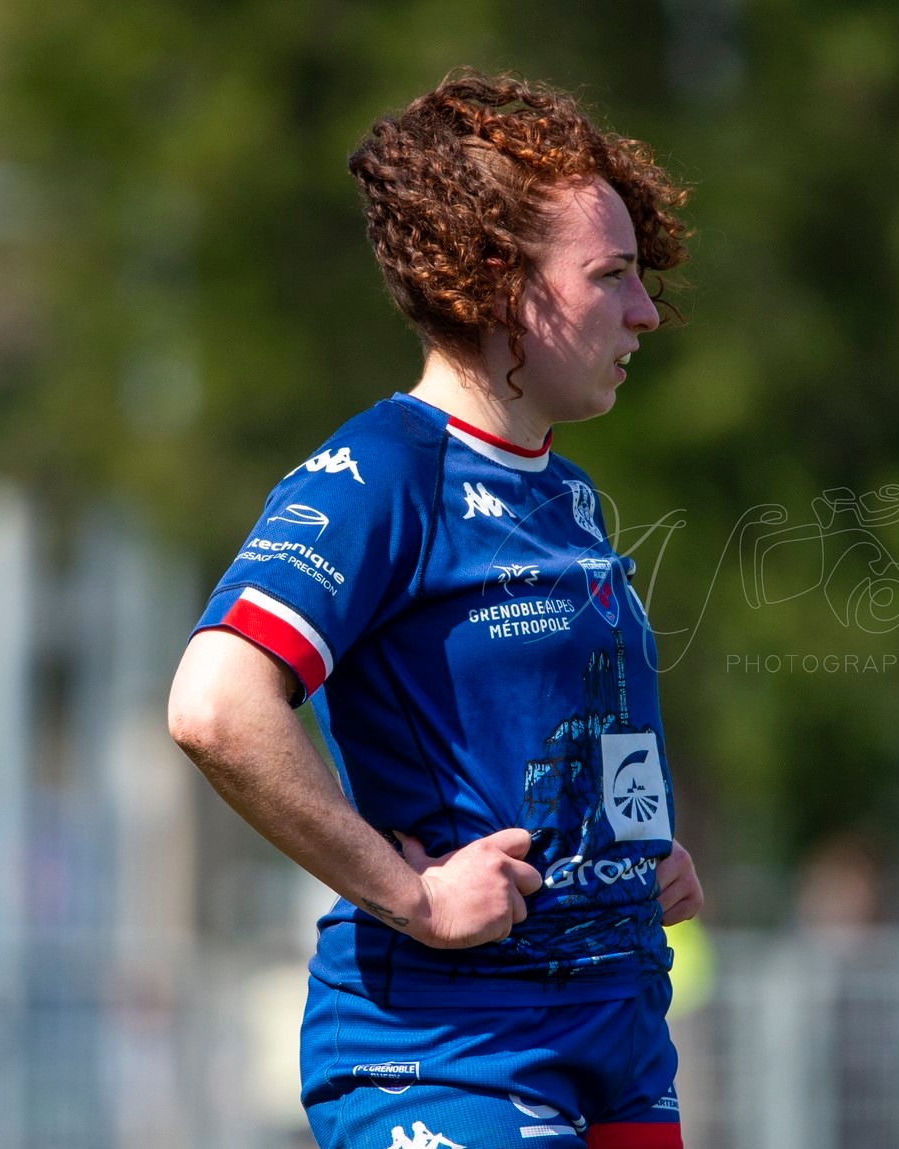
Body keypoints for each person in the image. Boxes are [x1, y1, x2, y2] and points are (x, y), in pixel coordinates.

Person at [167, 70, 703, 1149]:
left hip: (619, 1031)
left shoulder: (567, 494)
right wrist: (409, 898)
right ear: (498, 280)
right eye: (611, 276)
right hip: (447, 1048)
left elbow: (571, 715)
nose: (645, 310)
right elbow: (215, 706)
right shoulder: (382, 473)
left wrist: (636, 842)